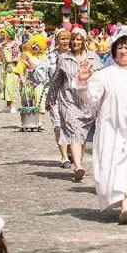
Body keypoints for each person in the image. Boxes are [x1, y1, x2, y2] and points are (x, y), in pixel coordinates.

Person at [76, 35, 127, 225]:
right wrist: (82, 81)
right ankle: (125, 207)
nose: (123, 51)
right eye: (119, 48)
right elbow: (90, 98)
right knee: (118, 165)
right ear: (114, 53)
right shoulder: (104, 75)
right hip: (112, 128)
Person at [46, 27, 104, 182]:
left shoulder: (93, 58)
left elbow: (103, 79)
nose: (75, 42)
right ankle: (78, 166)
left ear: (84, 41)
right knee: (73, 131)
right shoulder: (64, 58)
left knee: (82, 134)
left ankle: (79, 162)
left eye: (79, 39)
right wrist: (50, 100)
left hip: (87, 102)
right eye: (73, 39)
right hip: (68, 100)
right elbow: (56, 81)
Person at [46, 29, 72, 168]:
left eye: (67, 38)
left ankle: (70, 151)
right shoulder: (51, 56)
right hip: (55, 95)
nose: (65, 41)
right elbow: (49, 75)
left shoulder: (75, 55)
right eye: (62, 38)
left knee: (70, 125)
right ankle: (64, 157)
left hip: (72, 96)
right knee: (58, 125)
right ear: (57, 41)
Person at [14, 34, 48, 127]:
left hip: (40, 83)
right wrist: (22, 80)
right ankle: (27, 121)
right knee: (27, 102)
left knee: (40, 101)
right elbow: (19, 69)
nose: (35, 47)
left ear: (41, 46)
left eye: (37, 45)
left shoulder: (45, 57)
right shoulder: (26, 55)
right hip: (27, 83)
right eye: (33, 44)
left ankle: (39, 121)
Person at [0, 27, 21, 113]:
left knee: (12, 85)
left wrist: (10, 60)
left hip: (12, 66)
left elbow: (18, 56)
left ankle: (13, 106)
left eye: (4, 33)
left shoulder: (15, 44)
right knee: (5, 85)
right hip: (5, 67)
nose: (3, 35)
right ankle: (8, 105)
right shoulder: (4, 44)